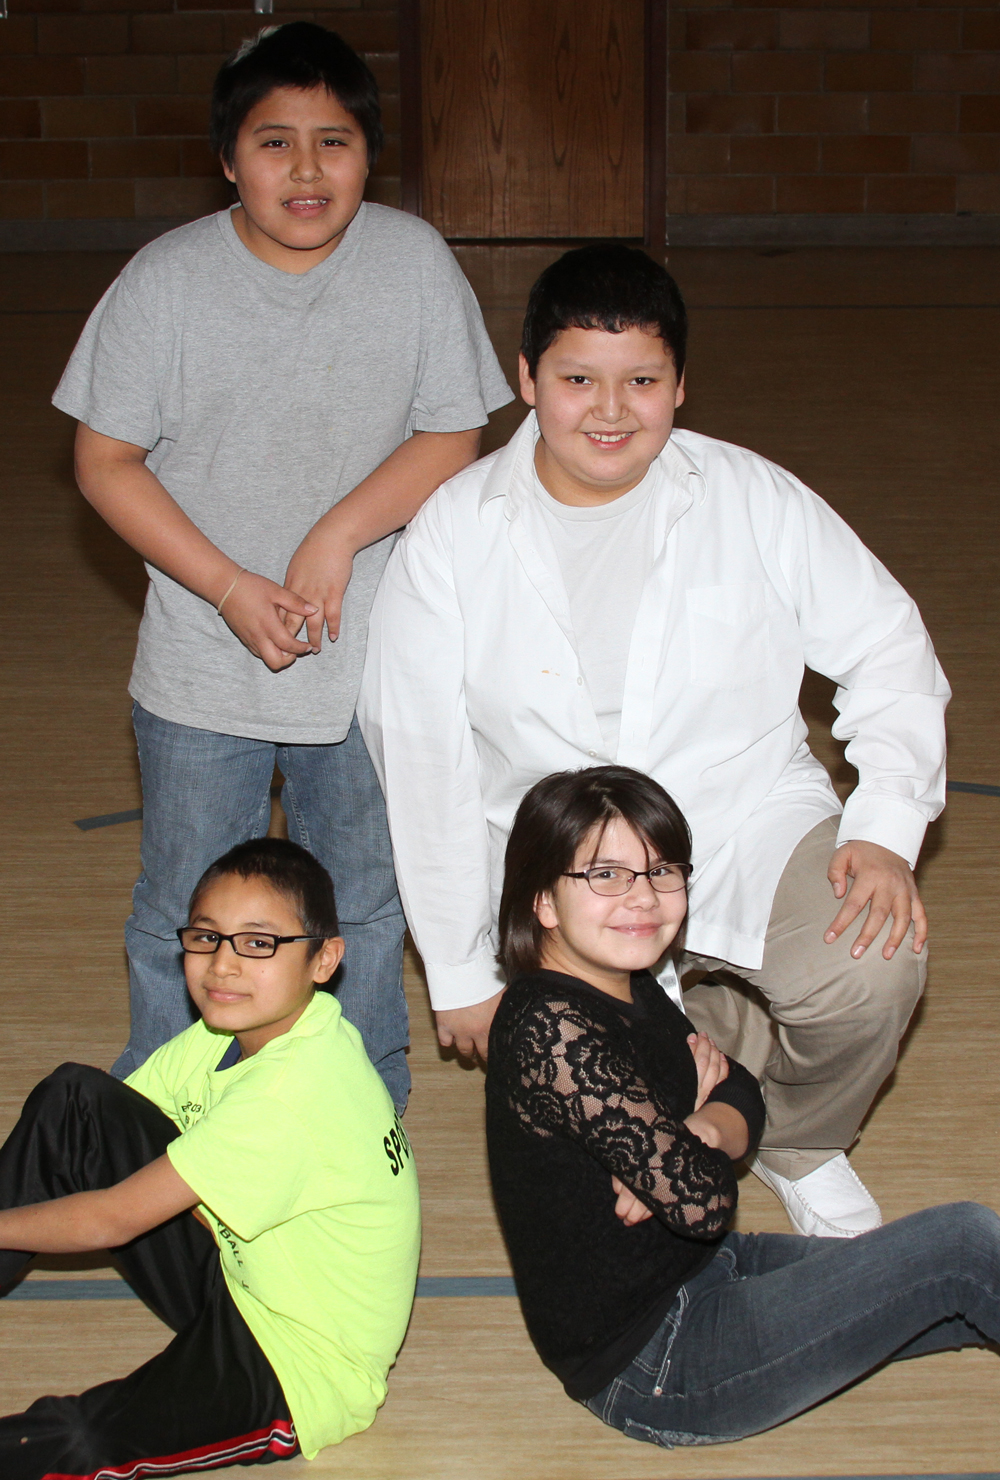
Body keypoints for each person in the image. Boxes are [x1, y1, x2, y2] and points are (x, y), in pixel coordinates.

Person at [359, 242, 949, 1232]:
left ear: (680, 384)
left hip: (742, 819)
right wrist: (459, 971)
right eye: (576, 379)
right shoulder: (451, 534)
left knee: (871, 961)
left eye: (640, 380)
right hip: (555, 871)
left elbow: (888, 646)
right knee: (603, 1169)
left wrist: (886, 823)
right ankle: (692, 1035)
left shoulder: (754, 497)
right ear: (525, 380)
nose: (609, 410)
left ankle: (797, 1144)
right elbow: (419, 755)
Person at [52, 22, 512, 1110]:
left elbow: (454, 431)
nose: (306, 171)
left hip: (367, 666)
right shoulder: (163, 284)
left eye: (334, 141)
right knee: (186, 901)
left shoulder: (412, 263)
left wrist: (334, 532)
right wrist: (222, 582)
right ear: (226, 159)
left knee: (360, 896)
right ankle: (167, 1111)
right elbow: (104, 461)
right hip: (200, 669)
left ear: (369, 155)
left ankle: (358, 1112)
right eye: (273, 143)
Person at [486, 766, 1000, 1448]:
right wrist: (691, 1145)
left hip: (707, 1269)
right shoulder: (548, 1027)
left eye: (661, 871)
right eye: (606, 876)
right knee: (961, 1246)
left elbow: (742, 1092)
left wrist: (694, 1128)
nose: (643, 898)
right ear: (544, 900)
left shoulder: (626, 979)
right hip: (657, 1362)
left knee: (957, 1287)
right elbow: (704, 1202)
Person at [0, 837, 420, 1478]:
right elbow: (102, 1136)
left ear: (324, 958)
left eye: (258, 944)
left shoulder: (294, 1091)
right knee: (76, 1101)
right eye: (205, 938)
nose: (222, 966)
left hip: (295, 1359)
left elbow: (112, 1219)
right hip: (239, 1268)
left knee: (76, 1441)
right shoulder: (223, 1035)